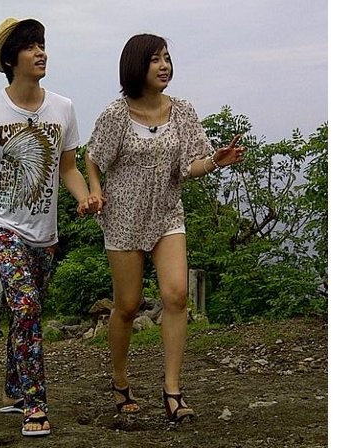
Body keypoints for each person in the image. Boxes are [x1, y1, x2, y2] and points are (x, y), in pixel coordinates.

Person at [85, 33, 245, 422]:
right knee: (127, 306)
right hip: (123, 217)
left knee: (176, 296)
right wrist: (95, 191)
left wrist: (216, 161)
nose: (164, 66)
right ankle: (119, 380)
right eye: (155, 59)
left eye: (167, 58)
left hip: (167, 213)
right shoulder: (116, 114)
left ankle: (172, 390)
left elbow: (190, 165)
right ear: (136, 65)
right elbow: (93, 158)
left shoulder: (183, 111)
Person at [0, 17, 91, 437]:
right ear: (10, 59)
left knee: (29, 308)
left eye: (41, 44)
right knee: (26, 306)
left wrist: (84, 198)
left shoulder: (63, 108)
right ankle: (35, 405)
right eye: (30, 46)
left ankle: (12, 388)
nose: (40, 52)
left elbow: (68, 168)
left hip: (44, 233)